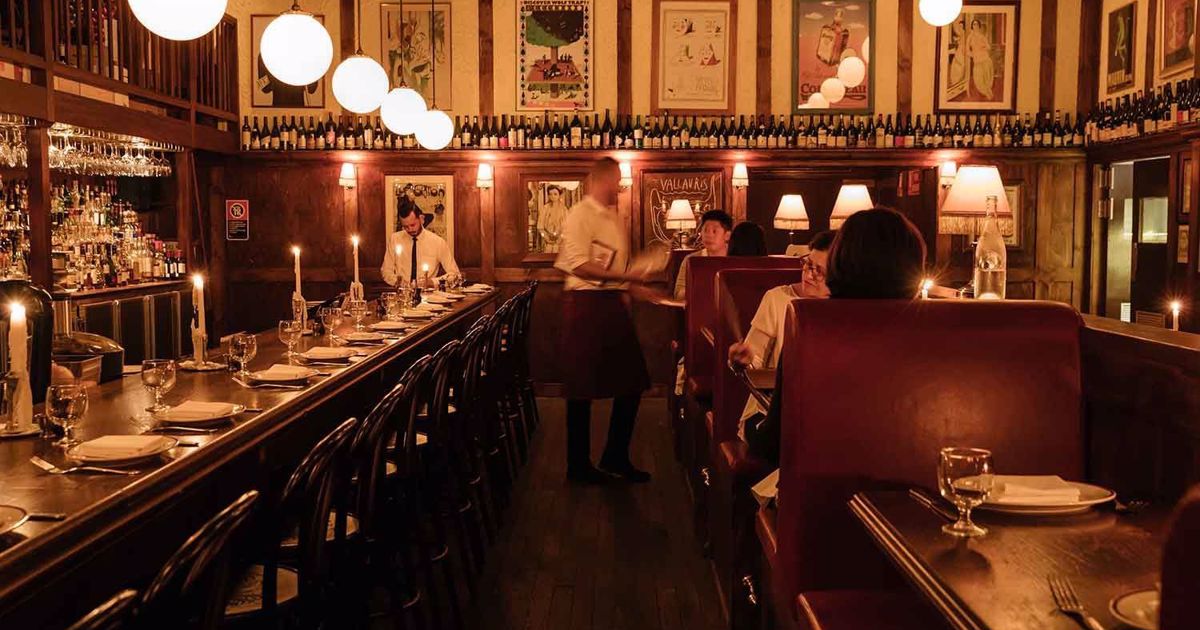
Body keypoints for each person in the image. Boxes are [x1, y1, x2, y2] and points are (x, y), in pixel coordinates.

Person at [732, 208, 926, 466]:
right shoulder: (936, 328)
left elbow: (774, 443)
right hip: (915, 476)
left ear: (840, 262)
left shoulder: (812, 325)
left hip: (825, 482)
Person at [555, 158, 658, 484]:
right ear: (600, 179)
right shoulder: (579, 215)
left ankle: (615, 456)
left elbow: (612, 270)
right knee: (580, 389)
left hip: (610, 304)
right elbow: (580, 266)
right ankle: (577, 465)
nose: (619, 186)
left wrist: (630, 289)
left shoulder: (613, 216)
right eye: (616, 180)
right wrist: (626, 277)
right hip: (585, 305)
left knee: (632, 382)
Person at [727, 230, 834, 442]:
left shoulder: (845, 308)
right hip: (769, 412)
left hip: (821, 414)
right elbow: (754, 359)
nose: (809, 274)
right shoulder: (778, 298)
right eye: (807, 264)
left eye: (819, 271)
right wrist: (744, 359)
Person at [381, 203, 461, 287]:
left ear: (421, 219)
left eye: (413, 225)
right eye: (405, 227)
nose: (410, 229)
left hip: (429, 295)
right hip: (402, 293)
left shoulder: (438, 242)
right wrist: (399, 282)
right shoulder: (395, 239)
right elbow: (386, 271)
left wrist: (432, 282)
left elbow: (455, 274)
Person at [673, 209, 733, 300]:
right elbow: (678, 295)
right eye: (705, 230)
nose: (709, 235)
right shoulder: (691, 260)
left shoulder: (735, 257)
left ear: (727, 235)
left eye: (714, 231)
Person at [537, 185, 570, 253]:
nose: (552, 196)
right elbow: (540, 226)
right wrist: (546, 238)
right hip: (547, 241)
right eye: (550, 194)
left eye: (555, 194)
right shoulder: (545, 208)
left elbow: (567, 227)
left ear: (559, 195)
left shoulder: (564, 209)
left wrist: (560, 237)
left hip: (560, 240)